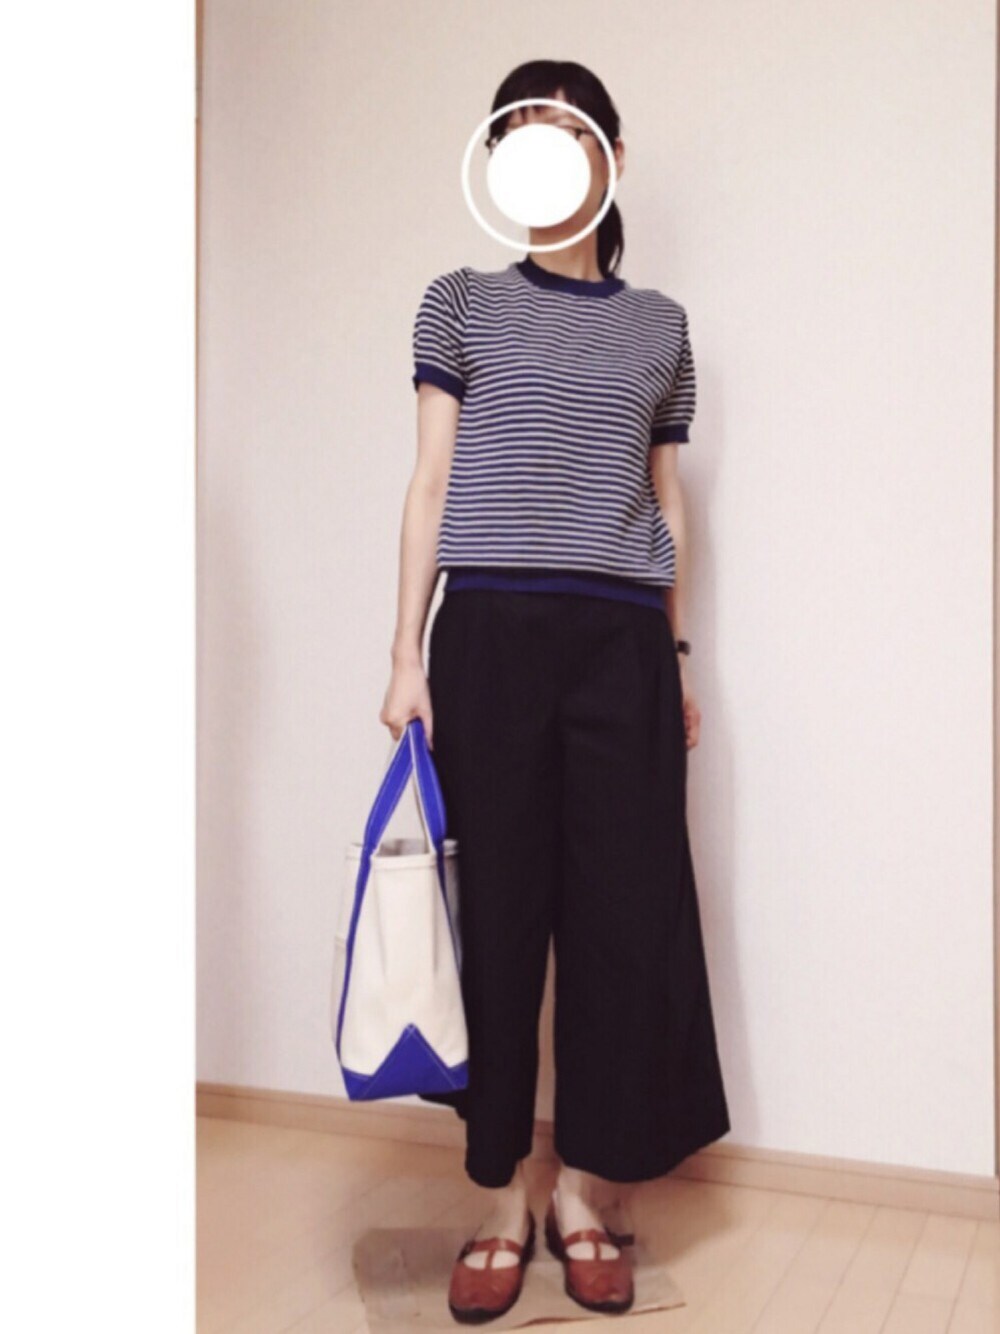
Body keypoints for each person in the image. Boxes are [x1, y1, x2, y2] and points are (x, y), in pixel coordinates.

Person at [380, 59, 731, 1323]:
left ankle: (585, 1188)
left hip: (621, 640)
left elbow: (665, 501)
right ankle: (499, 1197)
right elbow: (431, 482)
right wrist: (405, 654)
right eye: (515, 133)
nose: (537, 149)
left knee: (620, 921)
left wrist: (675, 656)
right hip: (487, 635)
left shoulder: (660, 327)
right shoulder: (459, 301)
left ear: (609, 157)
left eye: (560, 130)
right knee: (497, 913)